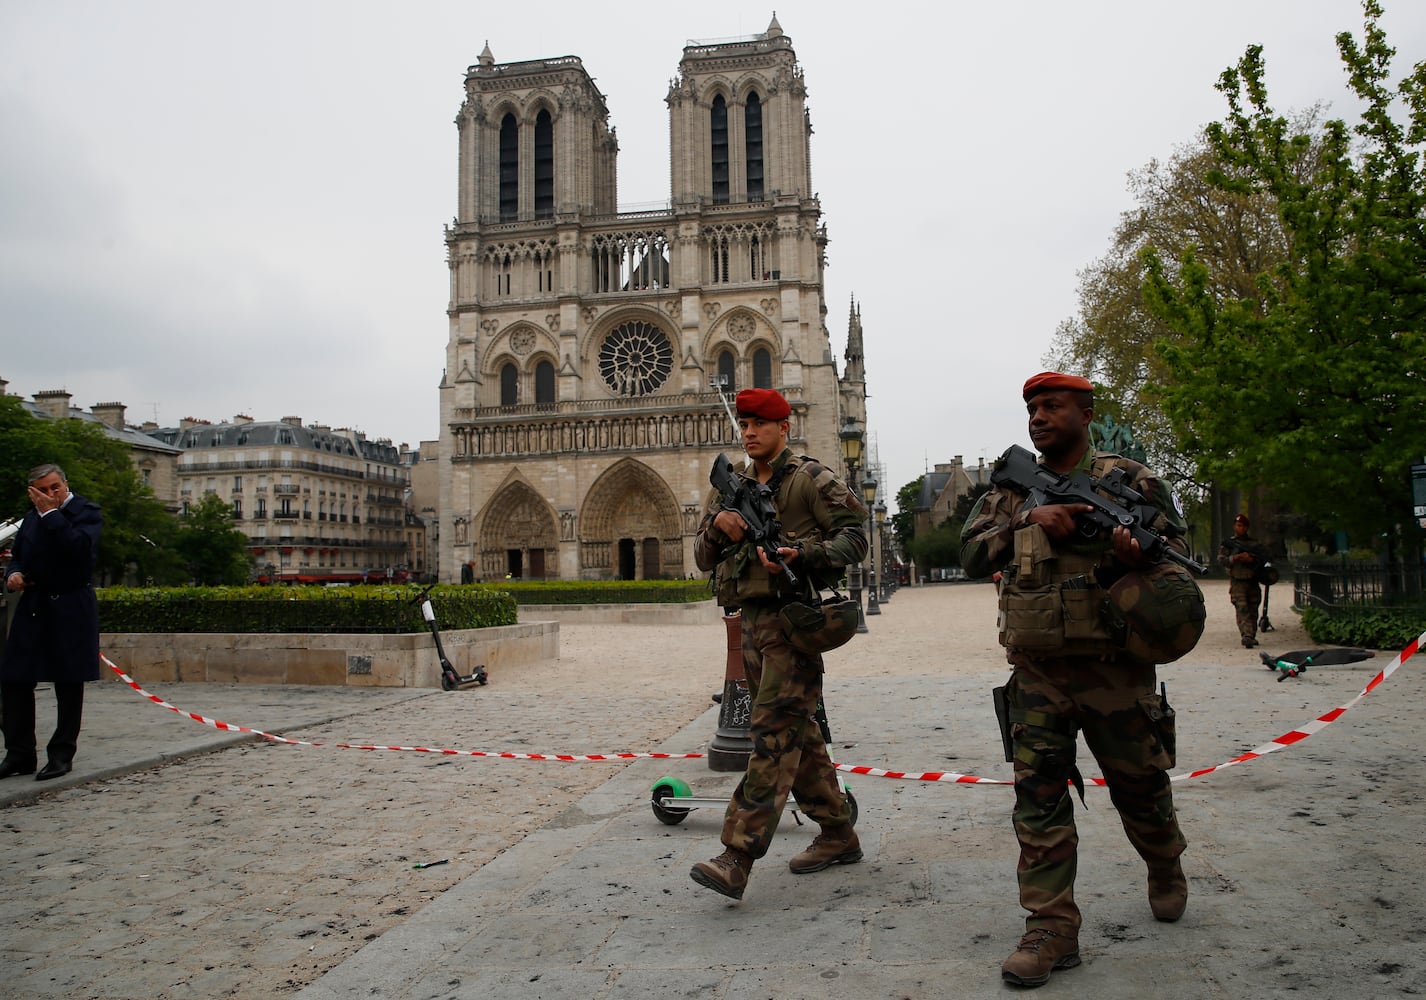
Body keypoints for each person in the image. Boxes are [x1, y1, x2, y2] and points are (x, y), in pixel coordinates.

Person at [960, 373, 1191, 987]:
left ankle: (1164, 862)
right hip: (1037, 674)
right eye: (1033, 407)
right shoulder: (1013, 489)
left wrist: (1126, 555)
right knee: (1037, 800)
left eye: (1052, 406)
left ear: (1086, 413)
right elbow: (968, 553)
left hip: (1116, 670)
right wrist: (1030, 522)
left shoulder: (1131, 481)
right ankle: (1051, 927)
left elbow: (1174, 557)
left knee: (1141, 788)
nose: (1039, 416)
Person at [689, 388, 868, 900]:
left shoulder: (810, 478)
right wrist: (720, 528)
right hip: (751, 625)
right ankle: (838, 832)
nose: (749, 433)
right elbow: (703, 557)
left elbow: (856, 534)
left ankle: (737, 854)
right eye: (744, 424)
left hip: (794, 624)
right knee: (798, 734)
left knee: (770, 733)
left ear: (783, 428)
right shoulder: (734, 486)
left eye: (760, 424)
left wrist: (804, 553)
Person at [0, 464, 103, 781]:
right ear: (31, 492)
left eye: (54, 487)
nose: (50, 495)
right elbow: (17, 554)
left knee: (68, 682)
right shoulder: (30, 517)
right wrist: (13, 574)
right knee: (15, 678)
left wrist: (51, 515)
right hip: (34, 604)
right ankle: (19, 753)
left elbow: (79, 550)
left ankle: (61, 754)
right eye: (42, 490)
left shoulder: (86, 511)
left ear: (65, 483)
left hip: (70, 603)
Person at [1219, 513, 1266, 648]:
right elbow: (1222, 560)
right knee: (1242, 608)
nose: (1241, 528)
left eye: (1244, 526)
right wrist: (1236, 558)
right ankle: (1247, 635)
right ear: (1235, 526)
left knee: (1253, 608)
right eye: (1239, 525)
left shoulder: (1254, 544)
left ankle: (1252, 634)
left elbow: (1263, 559)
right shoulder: (1230, 544)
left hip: (1252, 580)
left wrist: (1252, 559)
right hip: (1237, 581)